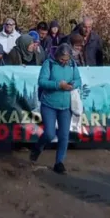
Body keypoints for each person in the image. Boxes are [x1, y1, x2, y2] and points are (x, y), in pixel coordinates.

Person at [30, 43, 81, 174]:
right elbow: (42, 81)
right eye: (62, 59)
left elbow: (78, 79)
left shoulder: (72, 64)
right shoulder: (49, 63)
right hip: (49, 104)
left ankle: (59, 162)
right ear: (57, 55)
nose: (64, 62)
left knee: (64, 135)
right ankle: (38, 148)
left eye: (66, 59)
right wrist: (58, 85)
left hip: (66, 106)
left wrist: (73, 84)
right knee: (49, 134)